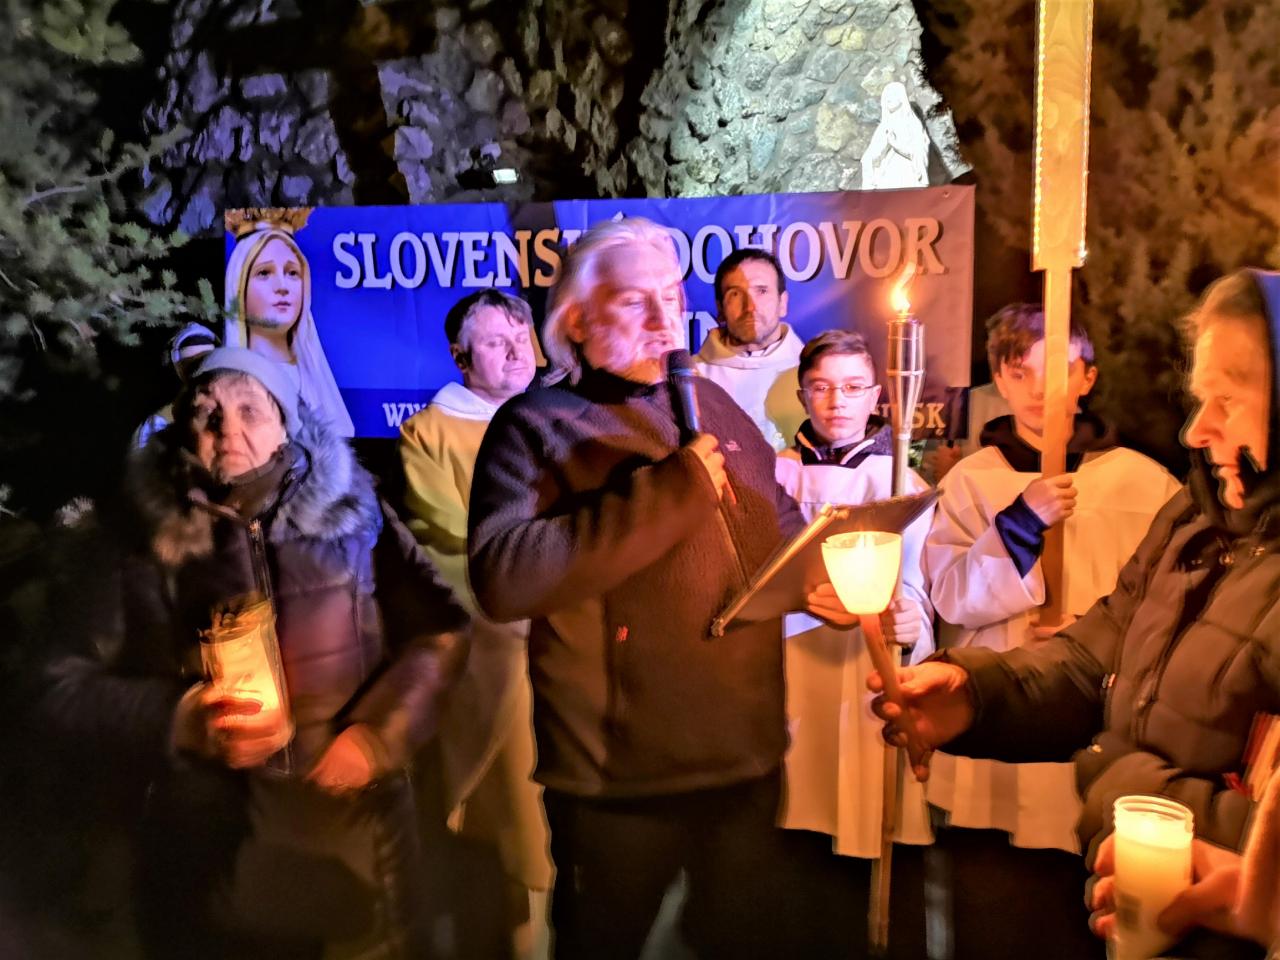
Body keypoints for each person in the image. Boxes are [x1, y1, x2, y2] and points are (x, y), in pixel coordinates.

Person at [873, 269, 1280, 960]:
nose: (1196, 429)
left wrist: (1256, 889)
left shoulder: (1144, 483)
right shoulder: (1194, 519)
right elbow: (1100, 655)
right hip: (1118, 861)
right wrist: (976, 691)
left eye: (1229, 400)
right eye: (1200, 398)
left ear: (1088, 377)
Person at [467, 217, 823, 960]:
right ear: (576, 320)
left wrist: (824, 579)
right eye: (635, 302)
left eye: (672, 295)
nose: (667, 320)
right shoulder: (534, 425)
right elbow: (503, 575)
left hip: (744, 759)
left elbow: (777, 525)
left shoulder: (712, 403)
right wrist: (666, 495)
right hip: (618, 781)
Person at [37, 346, 469, 958]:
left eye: (250, 409)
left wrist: (379, 735)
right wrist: (179, 718)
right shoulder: (135, 537)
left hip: (357, 840)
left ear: (285, 425)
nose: (228, 429)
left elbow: (440, 631)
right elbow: (58, 686)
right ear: (183, 427)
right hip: (208, 860)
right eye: (207, 412)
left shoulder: (352, 514)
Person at [921, 303, 1180, 958]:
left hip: (1094, 735)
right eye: (1020, 370)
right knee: (993, 920)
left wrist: (1096, 638)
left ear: (1088, 376)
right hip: (1001, 757)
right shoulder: (970, 480)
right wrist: (1021, 524)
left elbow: (1173, 603)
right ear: (1000, 380)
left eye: (1059, 367)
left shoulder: (1145, 482)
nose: (1040, 387)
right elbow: (950, 596)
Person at [397, 289, 551, 957]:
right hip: (504, 646)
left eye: (521, 335)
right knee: (515, 817)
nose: (516, 351)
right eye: (494, 341)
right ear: (461, 357)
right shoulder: (430, 433)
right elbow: (447, 543)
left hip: (574, 642)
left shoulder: (557, 414)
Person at [773, 329, 935, 956]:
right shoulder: (775, 475)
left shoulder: (900, 480)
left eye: (851, 387)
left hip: (863, 683)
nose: (836, 401)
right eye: (820, 387)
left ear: (875, 396)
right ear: (802, 396)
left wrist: (914, 625)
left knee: (869, 826)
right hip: (790, 674)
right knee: (796, 841)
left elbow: (919, 586)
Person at [223, 208, 354, 436]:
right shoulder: (225, 385)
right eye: (264, 273)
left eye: (292, 273)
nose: (282, 286)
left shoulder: (318, 384)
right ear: (239, 286)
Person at [694, 248, 807, 452]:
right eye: (736, 294)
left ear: (783, 303)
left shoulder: (814, 372)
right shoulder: (692, 378)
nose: (750, 307)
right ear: (720, 308)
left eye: (762, 291)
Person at [133, 321, 219, 447]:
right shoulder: (160, 422)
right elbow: (144, 456)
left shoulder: (235, 407)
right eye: (193, 366)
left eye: (206, 363)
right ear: (180, 370)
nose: (200, 372)